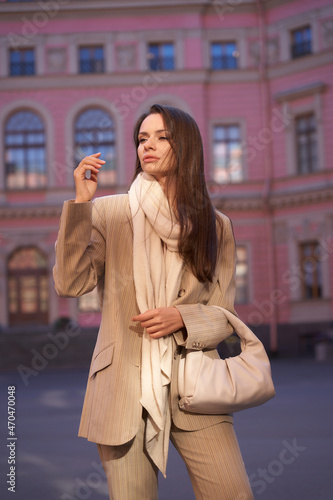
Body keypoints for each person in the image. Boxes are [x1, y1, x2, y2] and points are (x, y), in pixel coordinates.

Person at [53, 104, 254, 500]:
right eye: (143, 138)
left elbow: (224, 316)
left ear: (187, 147)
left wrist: (183, 317)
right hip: (122, 390)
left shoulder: (216, 226)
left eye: (162, 137)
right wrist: (80, 204)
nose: (149, 145)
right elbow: (71, 283)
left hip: (196, 386)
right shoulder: (110, 212)